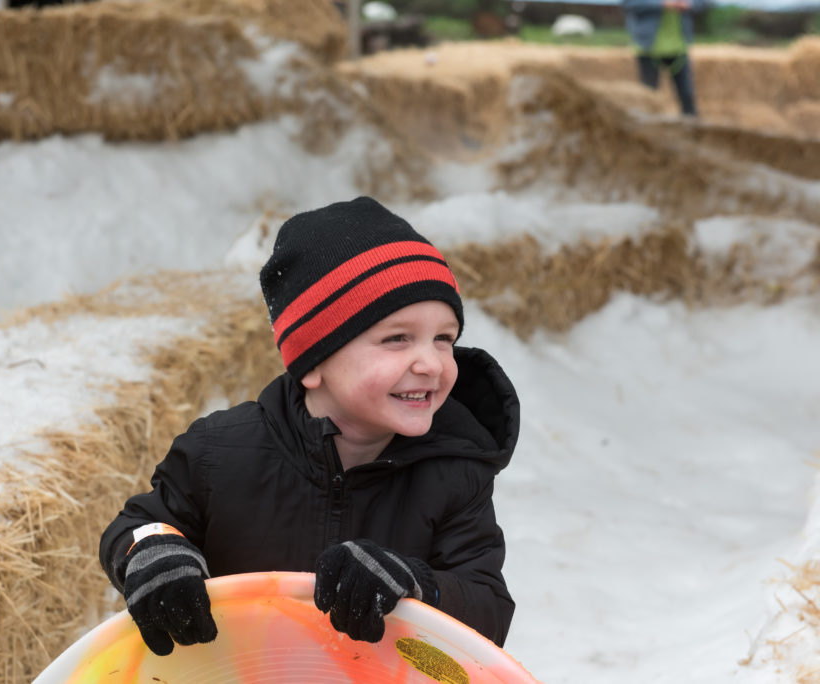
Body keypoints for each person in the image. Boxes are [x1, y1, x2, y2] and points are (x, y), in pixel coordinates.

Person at [99, 196, 519, 656]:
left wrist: (418, 586)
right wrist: (152, 554)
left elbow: (487, 605)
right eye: (397, 339)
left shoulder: (454, 470)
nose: (431, 363)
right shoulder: (218, 453)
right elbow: (138, 525)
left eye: (444, 338)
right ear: (313, 361)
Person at [622, 0, 702, 116]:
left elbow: (703, 3)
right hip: (648, 48)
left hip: (679, 48)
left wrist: (689, 4)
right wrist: (662, 4)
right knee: (648, 95)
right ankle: (647, 129)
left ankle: (692, 128)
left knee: (687, 95)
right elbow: (630, 4)